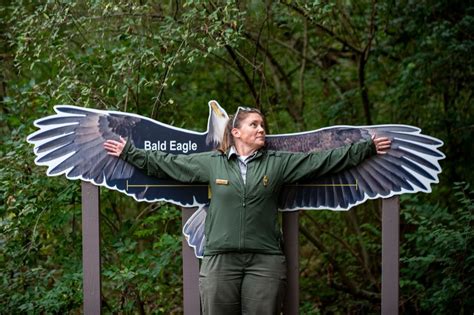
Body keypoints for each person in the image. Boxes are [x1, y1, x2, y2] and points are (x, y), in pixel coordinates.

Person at [104, 107, 391, 315]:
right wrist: (130, 153)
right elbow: (167, 164)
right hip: (220, 261)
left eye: (263, 125)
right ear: (236, 132)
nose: (261, 129)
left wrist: (365, 149)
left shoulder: (278, 163)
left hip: (264, 261)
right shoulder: (211, 163)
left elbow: (324, 161)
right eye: (254, 124)